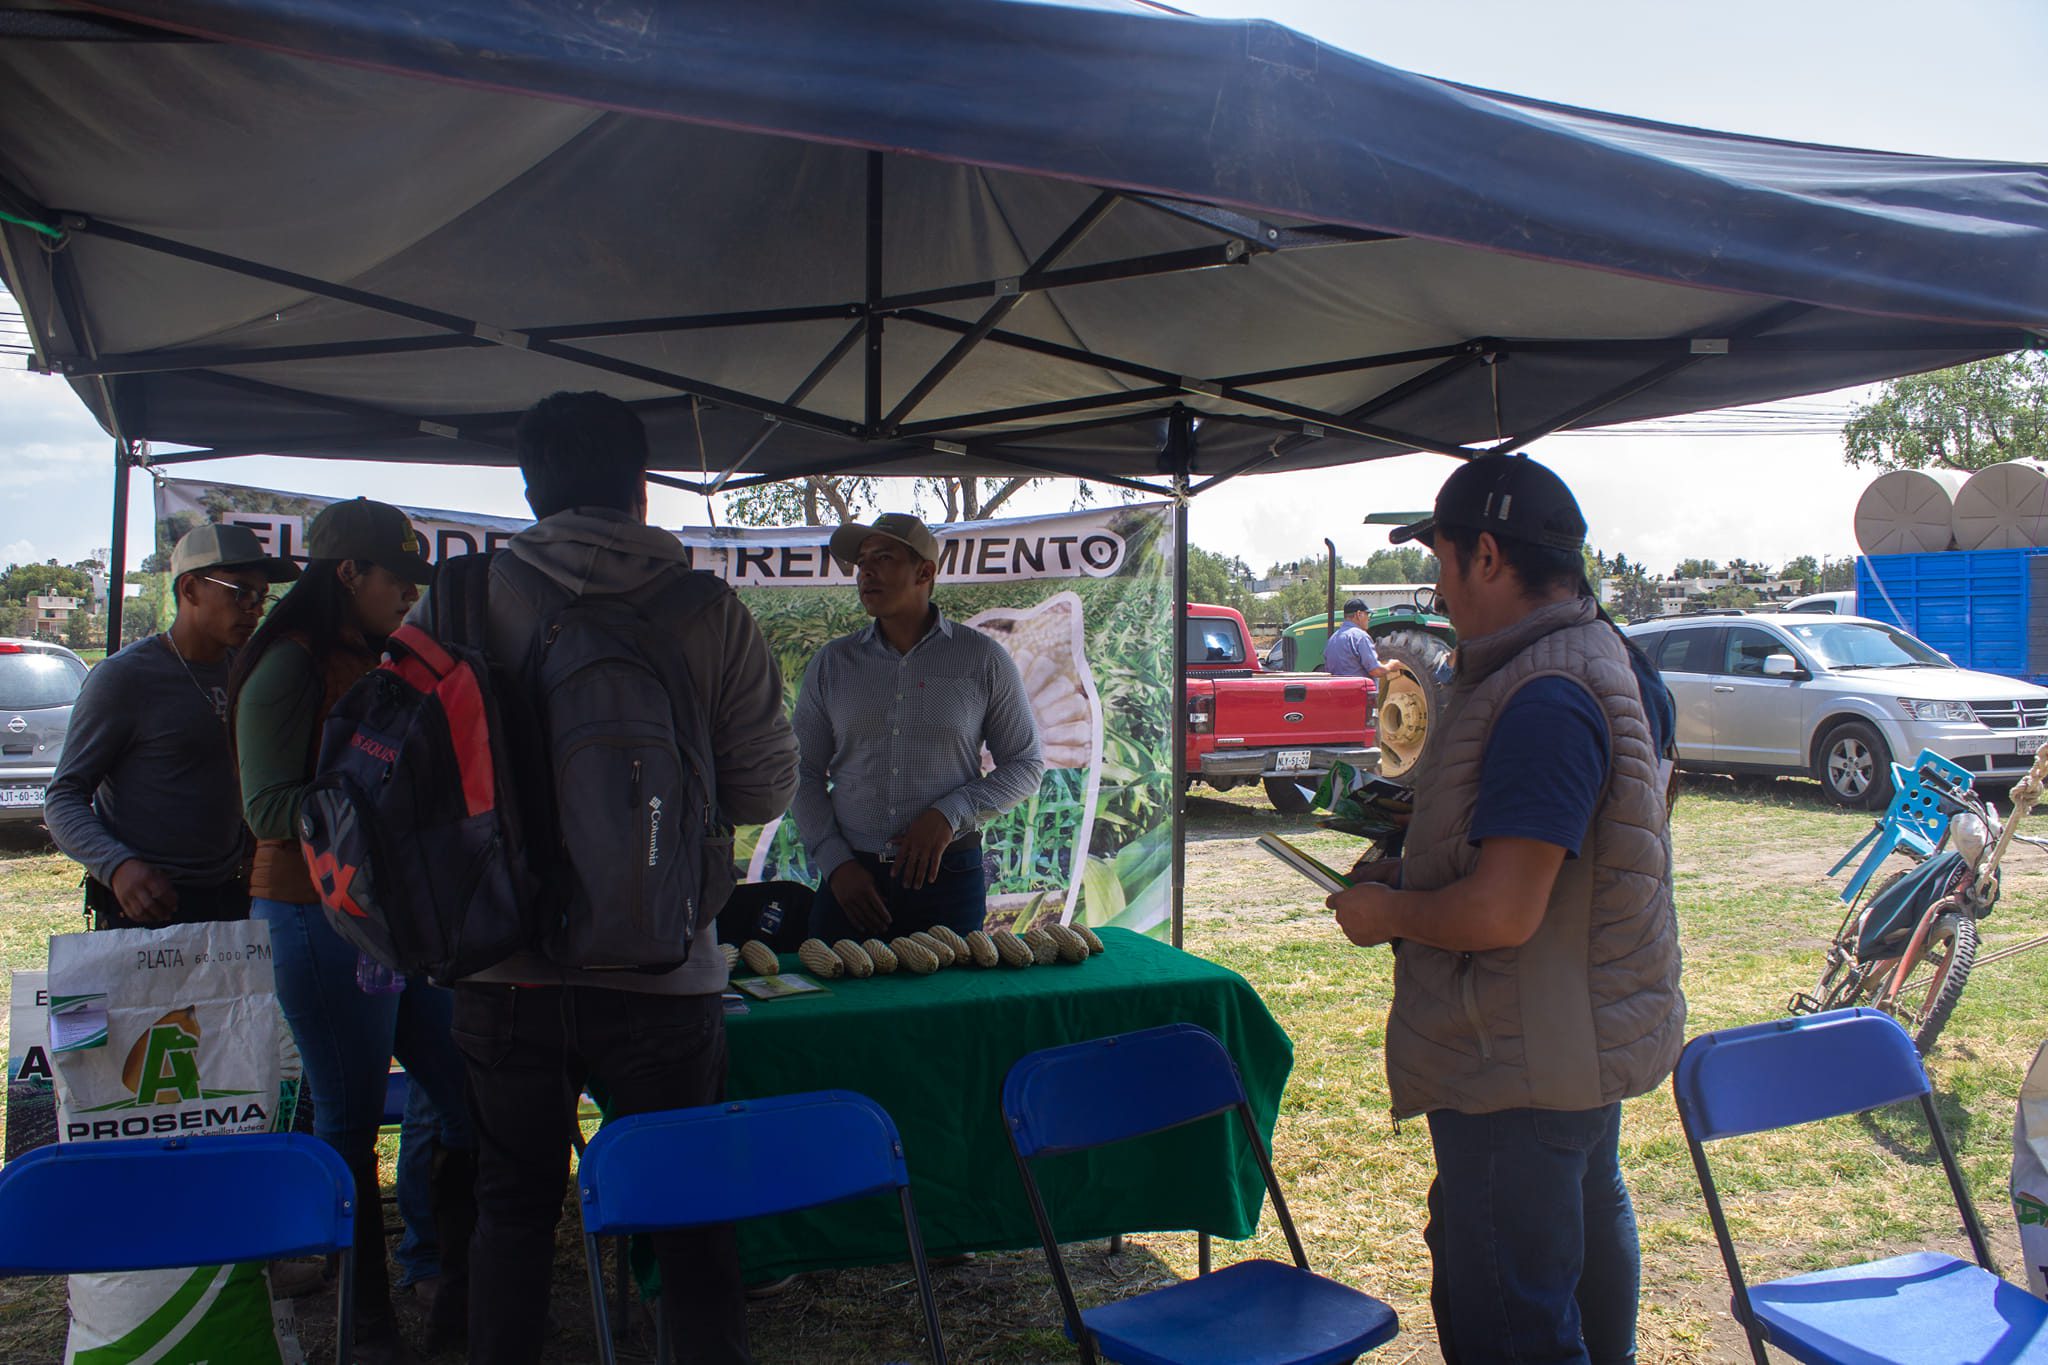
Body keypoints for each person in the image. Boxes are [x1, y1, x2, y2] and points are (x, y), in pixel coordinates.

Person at [428, 391, 798, 1365]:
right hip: (665, 971)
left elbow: (413, 790)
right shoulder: (707, 610)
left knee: (509, 1212)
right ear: (641, 487)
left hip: (501, 969)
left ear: (528, 489)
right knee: (689, 1218)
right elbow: (762, 785)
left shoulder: (462, 600)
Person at [1323, 454, 1682, 1365]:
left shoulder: (1544, 695)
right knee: (1584, 1228)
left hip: (1516, 1058)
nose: (1437, 591)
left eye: (1442, 563)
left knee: (1511, 1318)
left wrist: (1389, 912)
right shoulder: (1600, 657)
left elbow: (1504, 909)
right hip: (1568, 1044)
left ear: (1488, 555)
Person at [229, 498, 477, 1364]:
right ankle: (362, 1323)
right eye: (396, 579)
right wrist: (378, 811)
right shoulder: (288, 666)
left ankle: (441, 1273)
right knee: (350, 1120)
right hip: (314, 913)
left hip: (393, 921)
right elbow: (265, 806)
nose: (408, 596)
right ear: (347, 574)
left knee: (464, 1091)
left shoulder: (378, 660)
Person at [794, 512, 1044, 940]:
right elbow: (801, 771)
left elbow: (1026, 765)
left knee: (948, 1006)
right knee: (843, 1003)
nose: (866, 571)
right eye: (862, 562)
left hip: (946, 877)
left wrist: (950, 814)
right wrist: (835, 862)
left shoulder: (982, 659)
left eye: (884, 557)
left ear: (924, 572)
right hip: (853, 881)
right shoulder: (833, 664)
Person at [47, 523, 296, 929]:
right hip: (146, 905)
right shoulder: (125, 678)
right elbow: (63, 797)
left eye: (261, 596)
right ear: (191, 590)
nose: (254, 608)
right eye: (241, 592)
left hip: (233, 897)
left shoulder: (248, 671)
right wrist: (118, 867)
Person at [1322, 597, 1387, 680]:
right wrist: (1391, 666)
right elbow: (1375, 670)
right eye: (1367, 614)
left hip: (1338, 691)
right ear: (1359, 614)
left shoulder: (1332, 639)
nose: (1369, 618)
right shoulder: (1360, 637)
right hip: (1359, 691)